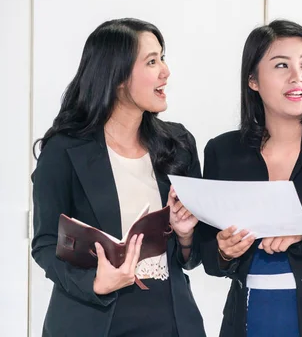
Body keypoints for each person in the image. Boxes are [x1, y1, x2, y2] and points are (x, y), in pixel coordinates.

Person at [174, 20, 302, 337]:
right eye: (281, 65)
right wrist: (224, 250)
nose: (297, 76)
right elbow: (210, 260)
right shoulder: (224, 151)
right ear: (253, 80)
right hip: (248, 321)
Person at [31, 18, 206, 337]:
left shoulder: (178, 144)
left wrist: (185, 235)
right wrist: (95, 282)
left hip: (171, 320)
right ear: (117, 77)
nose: (165, 71)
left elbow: (192, 257)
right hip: (91, 321)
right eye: (152, 61)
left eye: (162, 58)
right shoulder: (64, 150)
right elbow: (45, 243)